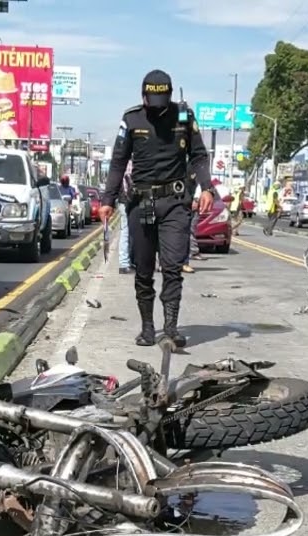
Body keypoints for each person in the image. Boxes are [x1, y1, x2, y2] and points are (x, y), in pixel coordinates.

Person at [101, 69, 215, 347]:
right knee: (143, 270)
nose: (157, 107)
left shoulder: (184, 116)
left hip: (175, 203)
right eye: (152, 100)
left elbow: (199, 155)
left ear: (169, 95)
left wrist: (207, 187)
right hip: (141, 204)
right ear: (144, 96)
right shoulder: (131, 119)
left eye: (162, 100)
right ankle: (148, 328)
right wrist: (106, 200)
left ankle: (171, 327)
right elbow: (118, 163)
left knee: (173, 267)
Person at [116, 164, 133, 274]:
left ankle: (126, 261)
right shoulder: (130, 165)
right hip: (127, 201)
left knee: (127, 231)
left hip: (123, 201)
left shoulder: (122, 165)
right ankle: (124, 263)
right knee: (126, 232)